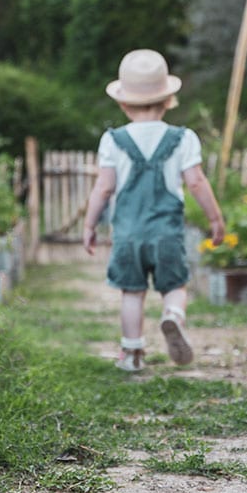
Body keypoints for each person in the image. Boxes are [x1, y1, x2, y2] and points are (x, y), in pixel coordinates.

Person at [83, 49, 226, 372]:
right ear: (167, 100)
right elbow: (197, 182)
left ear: (123, 102)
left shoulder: (113, 140)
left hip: (128, 235)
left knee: (132, 293)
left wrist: (89, 225)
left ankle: (132, 354)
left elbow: (103, 188)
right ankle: (172, 317)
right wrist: (215, 219)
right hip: (166, 234)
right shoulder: (183, 138)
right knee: (174, 286)